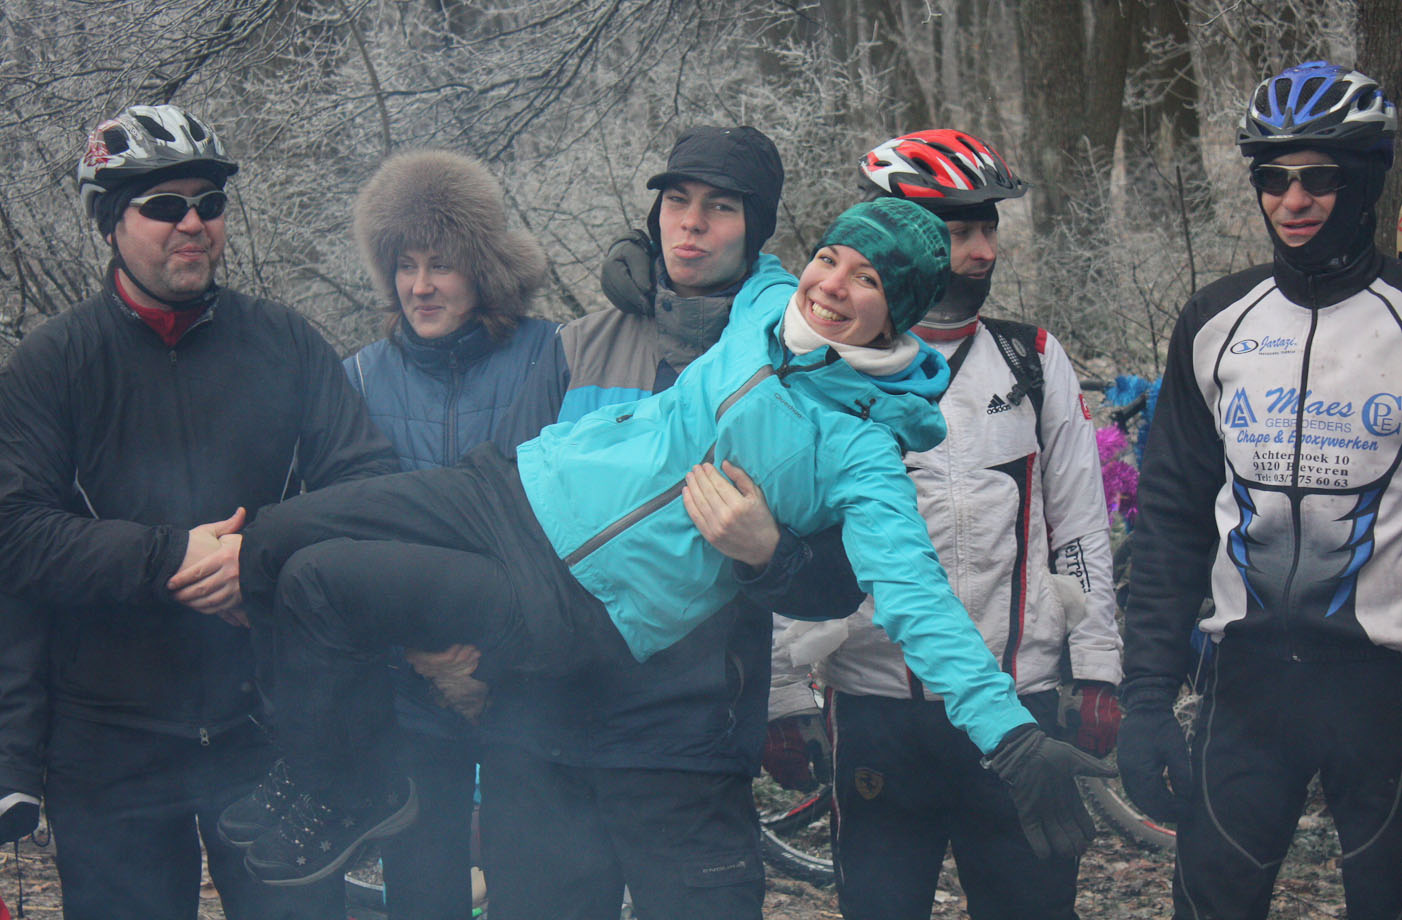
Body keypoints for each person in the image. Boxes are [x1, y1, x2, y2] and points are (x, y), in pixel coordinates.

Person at [206, 196, 1114, 889]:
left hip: (576, 600)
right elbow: (718, 241)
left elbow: (916, 599)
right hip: (512, 489)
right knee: (273, 540)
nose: (833, 284)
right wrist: (640, 266)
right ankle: (322, 768)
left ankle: (349, 782)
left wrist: (1009, 735)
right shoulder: (764, 303)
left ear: (897, 312)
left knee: (323, 582)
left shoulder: (863, 449)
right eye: (831, 258)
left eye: (867, 281)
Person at [0, 104, 399, 919]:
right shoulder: (54, 362)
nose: (193, 224)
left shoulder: (286, 342)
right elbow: (15, 532)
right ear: (111, 225)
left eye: (209, 204)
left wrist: (258, 561)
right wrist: (167, 558)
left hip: (267, 726)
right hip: (107, 743)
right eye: (163, 206)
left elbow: (368, 490)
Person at [476, 125, 860, 920]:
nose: (690, 223)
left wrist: (770, 554)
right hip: (543, 739)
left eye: (720, 208)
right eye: (676, 201)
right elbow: (498, 523)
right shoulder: (576, 349)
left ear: (756, 230)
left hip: (688, 753)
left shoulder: (800, 375)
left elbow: (838, 580)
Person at [765, 129, 1123, 920]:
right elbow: (784, 541)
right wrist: (783, 693)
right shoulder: (821, 368)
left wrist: (1097, 666)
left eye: (988, 227)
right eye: (960, 231)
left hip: (1018, 708)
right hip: (875, 708)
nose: (984, 250)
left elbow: (1079, 524)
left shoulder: (1032, 358)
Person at [1119, 60, 1402, 919]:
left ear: (1366, 182)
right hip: (1245, 689)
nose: (1294, 200)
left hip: (1384, 690)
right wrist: (1145, 698)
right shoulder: (1216, 320)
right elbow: (1171, 518)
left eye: (1320, 178)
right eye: (1274, 179)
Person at [327, 149, 561, 918]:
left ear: (482, 268)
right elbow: (346, 543)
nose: (420, 286)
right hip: (410, 695)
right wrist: (419, 654)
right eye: (405, 265)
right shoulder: (359, 378)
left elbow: (563, 528)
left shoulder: (551, 356)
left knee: (533, 892)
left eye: (441, 264)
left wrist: (494, 660)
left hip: (528, 688)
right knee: (423, 894)